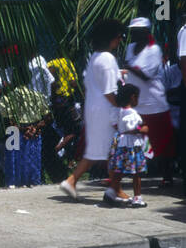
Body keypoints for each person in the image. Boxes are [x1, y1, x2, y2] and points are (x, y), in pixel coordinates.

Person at [59, 19, 125, 201]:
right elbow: (110, 91)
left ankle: (74, 181)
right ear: (111, 38)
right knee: (113, 150)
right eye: (119, 37)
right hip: (106, 111)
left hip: (93, 110)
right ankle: (114, 189)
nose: (120, 40)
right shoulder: (108, 59)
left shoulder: (95, 57)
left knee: (99, 151)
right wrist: (121, 107)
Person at [122, 17, 172, 186]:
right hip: (136, 105)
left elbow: (146, 75)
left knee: (162, 144)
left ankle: (167, 177)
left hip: (155, 104)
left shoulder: (154, 50)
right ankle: (139, 174)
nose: (133, 34)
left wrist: (129, 67)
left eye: (136, 31)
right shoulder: (130, 48)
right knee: (138, 142)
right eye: (132, 31)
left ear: (145, 33)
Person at [107, 83, 148, 208]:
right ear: (133, 97)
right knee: (136, 173)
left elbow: (117, 125)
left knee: (119, 171)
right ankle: (137, 197)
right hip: (132, 146)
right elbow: (136, 128)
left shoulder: (118, 111)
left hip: (121, 144)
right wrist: (142, 128)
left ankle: (112, 192)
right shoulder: (133, 114)